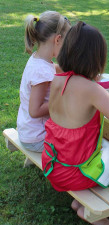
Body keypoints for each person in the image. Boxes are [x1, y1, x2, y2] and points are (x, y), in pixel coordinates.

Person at [41, 22, 109, 225]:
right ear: (97, 59)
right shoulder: (92, 90)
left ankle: (83, 199)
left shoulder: (58, 77)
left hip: (53, 162)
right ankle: (94, 209)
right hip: (73, 171)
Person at [17, 11, 71, 152]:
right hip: (38, 138)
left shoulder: (39, 59)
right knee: (76, 137)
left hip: (29, 132)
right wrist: (62, 98)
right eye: (66, 44)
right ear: (57, 40)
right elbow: (35, 110)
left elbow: (54, 68)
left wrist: (76, 70)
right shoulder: (41, 73)